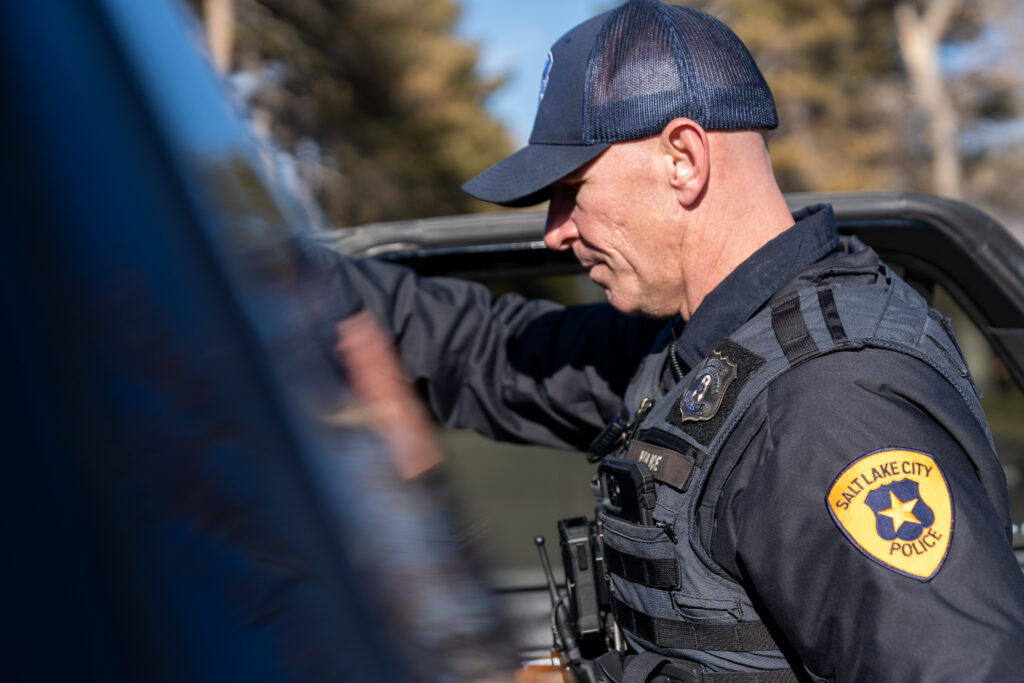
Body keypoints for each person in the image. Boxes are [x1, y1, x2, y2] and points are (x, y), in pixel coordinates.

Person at [300, 0, 1024, 679]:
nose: (555, 230)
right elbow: (486, 351)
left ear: (683, 158)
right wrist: (278, 273)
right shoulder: (696, 351)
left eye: (570, 190)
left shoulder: (832, 410)